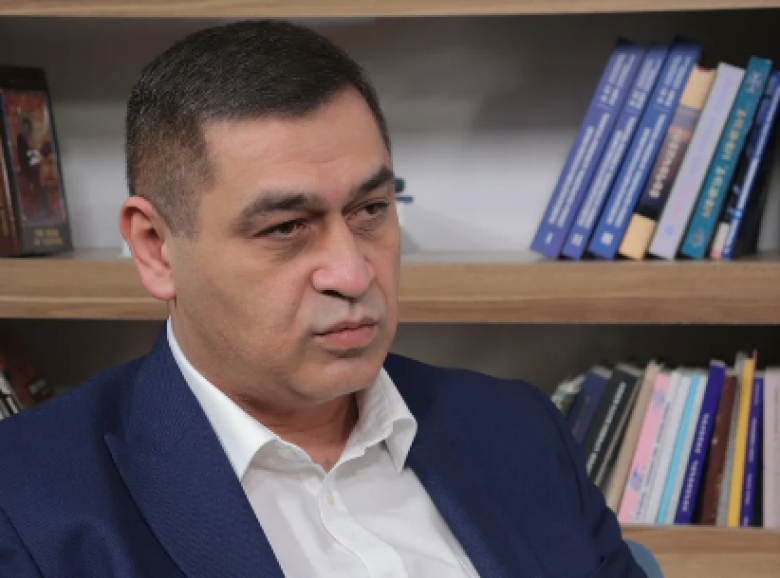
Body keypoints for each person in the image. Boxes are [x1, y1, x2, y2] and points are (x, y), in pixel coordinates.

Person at [0, 21, 649, 577]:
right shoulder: (26, 502)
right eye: (286, 227)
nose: (352, 273)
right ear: (155, 248)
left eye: (370, 209)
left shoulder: (520, 428)